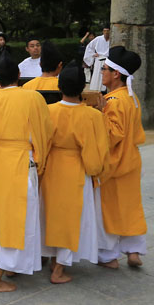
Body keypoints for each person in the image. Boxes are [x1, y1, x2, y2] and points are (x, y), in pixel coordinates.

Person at [0, 52, 54, 292]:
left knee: (4, 216)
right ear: (19, 75)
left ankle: (12, 266)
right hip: (22, 162)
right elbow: (45, 135)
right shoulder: (33, 99)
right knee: (18, 219)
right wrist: (40, 163)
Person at [41, 62, 108, 283]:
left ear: (59, 87)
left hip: (51, 167)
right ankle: (59, 268)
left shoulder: (48, 111)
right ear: (82, 89)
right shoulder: (92, 116)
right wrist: (95, 171)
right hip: (77, 170)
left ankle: (52, 258)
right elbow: (97, 151)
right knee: (73, 219)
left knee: (50, 214)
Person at [96, 45, 147, 268]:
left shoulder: (114, 102)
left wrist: (99, 114)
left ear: (115, 74)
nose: (101, 72)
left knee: (108, 210)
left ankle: (108, 257)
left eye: (104, 68)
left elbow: (113, 135)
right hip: (132, 162)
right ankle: (134, 251)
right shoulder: (130, 97)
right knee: (131, 207)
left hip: (115, 164)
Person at [83, 26, 110, 91]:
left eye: (107, 31)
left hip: (108, 61)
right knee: (98, 75)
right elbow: (89, 47)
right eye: (104, 31)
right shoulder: (98, 39)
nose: (106, 33)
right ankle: (96, 89)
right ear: (103, 32)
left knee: (107, 75)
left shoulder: (113, 39)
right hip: (99, 60)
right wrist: (93, 54)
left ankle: (106, 89)